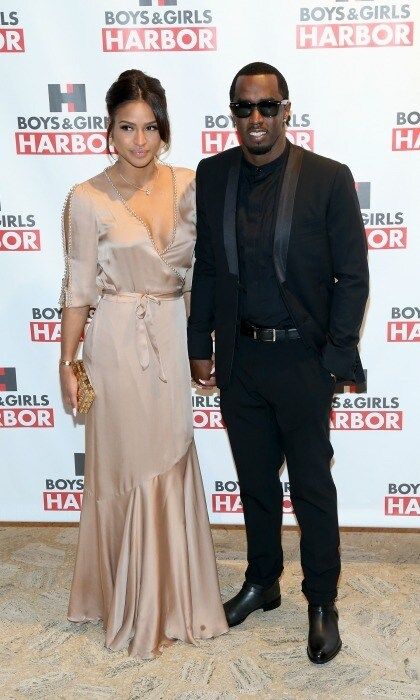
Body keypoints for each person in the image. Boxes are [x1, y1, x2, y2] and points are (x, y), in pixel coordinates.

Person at [188, 62, 369, 664]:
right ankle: (263, 581)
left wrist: (335, 359)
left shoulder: (327, 179)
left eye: (267, 107)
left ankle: (322, 601)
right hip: (240, 358)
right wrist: (200, 345)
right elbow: (208, 269)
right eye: (244, 109)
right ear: (233, 114)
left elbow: (353, 277)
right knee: (256, 482)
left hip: (303, 361)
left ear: (287, 110)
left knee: (312, 487)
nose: (256, 119)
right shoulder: (213, 176)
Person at [59, 69, 227, 659]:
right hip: (113, 344)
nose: (138, 140)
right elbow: (78, 286)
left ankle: (178, 597)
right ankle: (127, 601)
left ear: (164, 129)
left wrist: (208, 344)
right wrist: (66, 358)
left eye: (149, 127)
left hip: (173, 336)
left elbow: (208, 273)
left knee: (172, 454)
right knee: (128, 466)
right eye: (126, 128)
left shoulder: (191, 184)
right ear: (108, 130)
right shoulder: (86, 197)